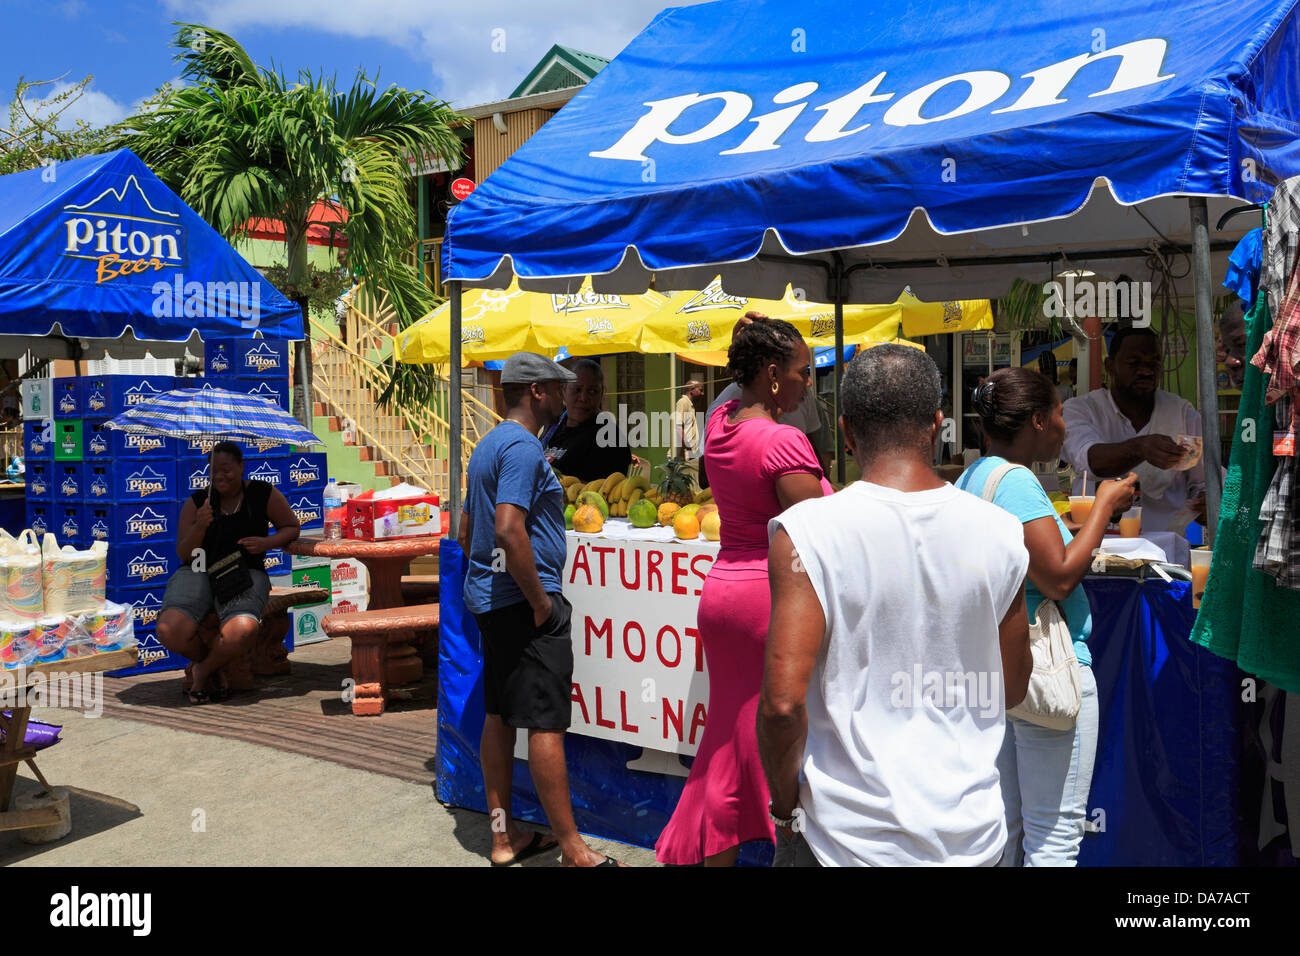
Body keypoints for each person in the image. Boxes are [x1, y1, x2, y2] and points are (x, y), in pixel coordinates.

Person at [758, 345, 1031, 866]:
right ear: (937, 424)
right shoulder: (1000, 532)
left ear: (845, 430)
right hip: (972, 839)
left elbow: (782, 706)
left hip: (843, 842)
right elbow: (1013, 685)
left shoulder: (806, 534)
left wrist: (786, 811)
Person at [655, 317, 831, 867]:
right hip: (770, 601)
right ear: (774, 375)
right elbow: (826, 531)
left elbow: (734, 390)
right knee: (778, 740)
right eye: (803, 373)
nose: (810, 384)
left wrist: (742, 346)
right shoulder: (783, 441)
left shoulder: (722, 425)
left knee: (727, 745)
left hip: (723, 596)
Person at [956, 368, 1136, 865]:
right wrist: (1104, 506)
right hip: (1047, 671)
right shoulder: (1016, 481)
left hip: (1003, 670)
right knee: (1053, 839)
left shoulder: (974, 475)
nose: (1062, 423)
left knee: (1010, 832)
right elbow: (1056, 578)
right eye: (1058, 412)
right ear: (1037, 420)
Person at [459, 352, 622, 867]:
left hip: (490, 599)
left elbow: (468, 533)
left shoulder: (485, 446)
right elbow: (508, 528)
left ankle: (503, 840)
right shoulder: (525, 448)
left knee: (499, 715)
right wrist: (539, 602)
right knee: (545, 723)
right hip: (521, 605)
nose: (562, 396)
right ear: (536, 392)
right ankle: (573, 850)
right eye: (557, 387)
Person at [156, 442, 301, 704]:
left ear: (242, 467)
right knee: (169, 630)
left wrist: (266, 543)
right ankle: (212, 664)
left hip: (245, 572)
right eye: (214, 470)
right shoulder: (197, 502)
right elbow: (184, 554)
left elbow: (291, 526)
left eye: (227, 469)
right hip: (198, 570)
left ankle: (202, 672)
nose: (220, 476)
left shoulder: (262, 493)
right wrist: (200, 526)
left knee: (243, 628)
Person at [1062, 327, 1205, 533]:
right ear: (1110, 366)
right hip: (1097, 549)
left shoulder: (1183, 415)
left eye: (1153, 364)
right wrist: (1141, 448)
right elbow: (1089, 461)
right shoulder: (1082, 410)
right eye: (1134, 363)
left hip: (1165, 550)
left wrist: (1204, 503)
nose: (1145, 371)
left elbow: (1201, 481)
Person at [540, 358, 634, 482]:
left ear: (601, 394)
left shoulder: (610, 438)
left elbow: (602, 492)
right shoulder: (554, 425)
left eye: (592, 391)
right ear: (564, 390)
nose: (583, 398)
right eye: (577, 390)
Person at [674, 379, 705, 461]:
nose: (702, 394)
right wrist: (689, 450)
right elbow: (678, 427)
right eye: (700, 390)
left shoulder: (690, 405)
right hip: (682, 457)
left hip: (689, 455)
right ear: (692, 389)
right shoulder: (683, 402)